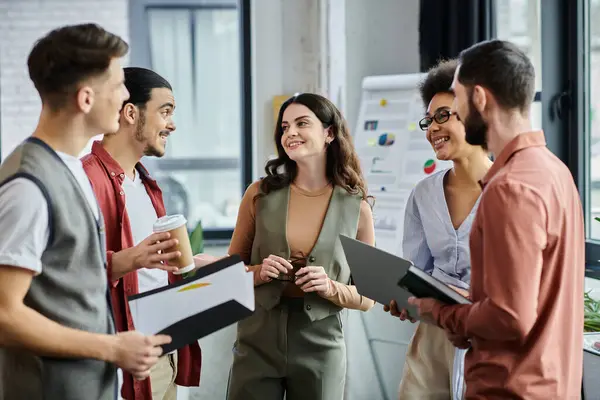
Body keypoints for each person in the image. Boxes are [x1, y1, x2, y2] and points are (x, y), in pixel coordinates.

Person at [0, 24, 171, 400]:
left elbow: (66, 281)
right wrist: (112, 348)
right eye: (117, 86)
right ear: (86, 98)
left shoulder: (72, 169)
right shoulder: (28, 185)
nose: (126, 96)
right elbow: (4, 316)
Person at [408, 39, 585, 399]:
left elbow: (510, 317)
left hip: (508, 387)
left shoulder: (507, 188)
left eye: (455, 99)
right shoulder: (556, 172)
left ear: (480, 99)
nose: (451, 110)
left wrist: (443, 315)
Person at [225, 93, 375, 400]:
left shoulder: (355, 207)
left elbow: (368, 296)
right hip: (258, 337)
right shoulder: (259, 194)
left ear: (329, 133)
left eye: (302, 123)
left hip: (321, 345)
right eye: (284, 126)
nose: (290, 133)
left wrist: (330, 286)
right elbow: (229, 273)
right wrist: (258, 271)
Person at [82, 67, 204, 400]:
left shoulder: (147, 184)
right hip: (122, 362)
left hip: (165, 351)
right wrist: (131, 258)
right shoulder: (84, 180)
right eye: (165, 111)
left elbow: (157, 268)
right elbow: (65, 274)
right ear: (130, 112)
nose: (172, 124)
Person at [384, 59, 492, 400]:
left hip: (486, 337)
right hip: (433, 338)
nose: (432, 129)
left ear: (474, 112)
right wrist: (403, 299)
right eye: (428, 120)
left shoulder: (507, 190)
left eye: (443, 116)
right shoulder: (423, 195)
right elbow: (417, 273)